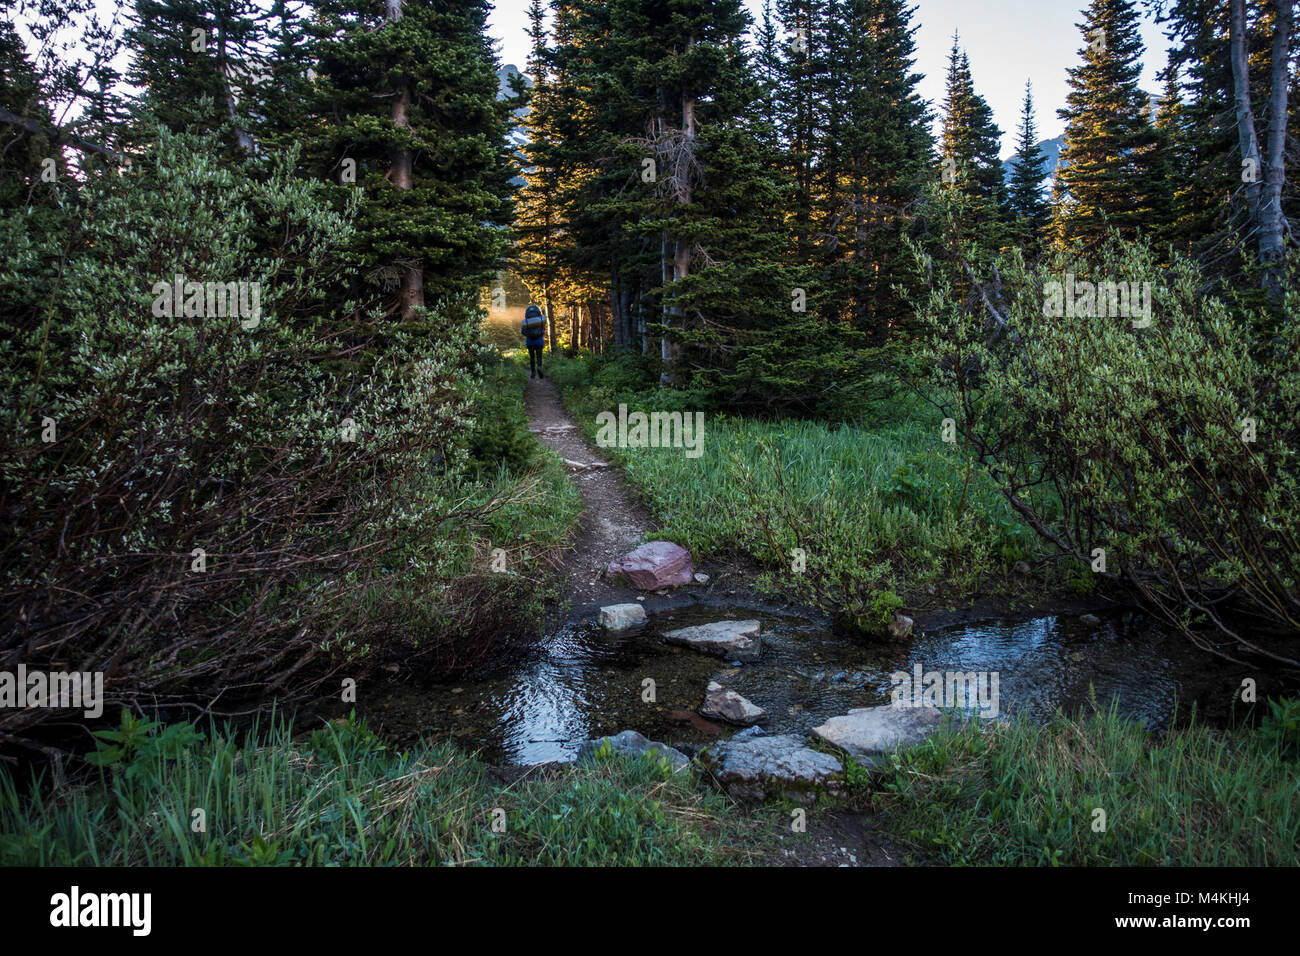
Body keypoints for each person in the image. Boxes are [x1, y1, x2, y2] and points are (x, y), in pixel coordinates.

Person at [521, 303, 547, 379]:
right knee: (539, 357)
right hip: (539, 342)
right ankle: (539, 367)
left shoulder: (526, 322)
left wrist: (529, 335)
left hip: (530, 342)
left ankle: (533, 372)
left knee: (532, 358)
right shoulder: (540, 320)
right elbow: (543, 330)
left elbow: (522, 332)